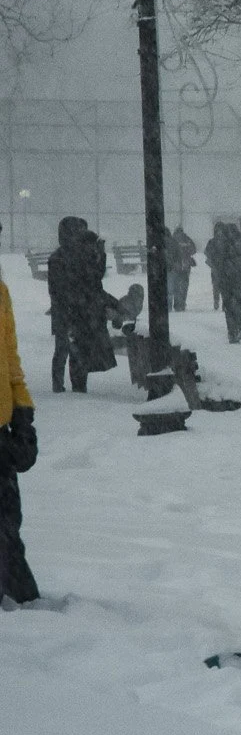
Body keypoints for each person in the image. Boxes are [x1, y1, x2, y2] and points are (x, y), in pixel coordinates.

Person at [2, 225, 40, 605]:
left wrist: (23, 413)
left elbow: (10, 361)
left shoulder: (0, 293)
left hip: (1, 428)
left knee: (9, 524)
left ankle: (25, 604)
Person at [46, 217, 112, 394]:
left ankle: (71, 385)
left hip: (73, 311)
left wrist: (100, 254)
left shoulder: (69, 256)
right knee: (66, 349)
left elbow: (94, 276)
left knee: (74, 349)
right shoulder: (61, 258)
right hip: (69, 310)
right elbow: (90, 278)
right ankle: (63, 386)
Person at [168, 225, 198, 312]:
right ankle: (181, 303)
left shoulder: (172, 239)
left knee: (175, 285)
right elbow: (194, 250)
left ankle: (174, 303)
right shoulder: (187, 239)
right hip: (186, 265)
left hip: (175, 265)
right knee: (184, 286)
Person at [203, 221, 231, 311]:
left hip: (224, 267)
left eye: (221, 230)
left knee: (224, 286)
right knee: (217, 286)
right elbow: (207, 252)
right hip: (217, 267)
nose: (220, 232)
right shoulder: (213, 241)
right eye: (218, 230)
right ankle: (217, 301)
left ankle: (224, 303)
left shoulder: (226, 242)